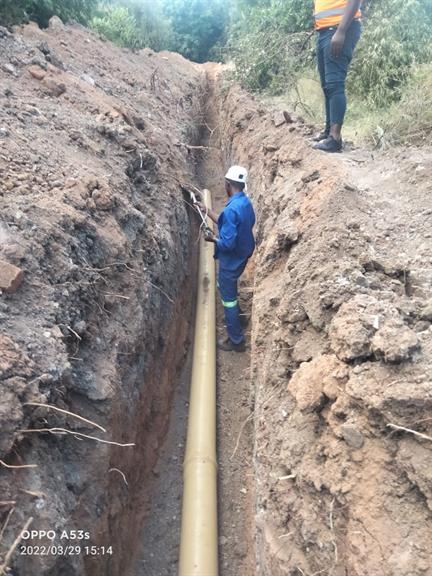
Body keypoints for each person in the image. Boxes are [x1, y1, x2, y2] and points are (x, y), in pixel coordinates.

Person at [197, 166, 255, 352]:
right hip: (243, 254)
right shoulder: (245, 202)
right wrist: (207, 210)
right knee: (225, 288)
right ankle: (239, 317)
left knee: (228, 300)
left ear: (228, 185)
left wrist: (212, 239)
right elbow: (227, 222)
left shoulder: (232, 210)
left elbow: (227, 244)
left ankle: (236, 341)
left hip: (231, 261)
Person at [312, 0, 362, 153]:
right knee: (327, 85)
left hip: (338, 29)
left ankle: (335, 138)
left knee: (334, 84)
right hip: (325, 31)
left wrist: (341, 31)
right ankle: (328, 131)